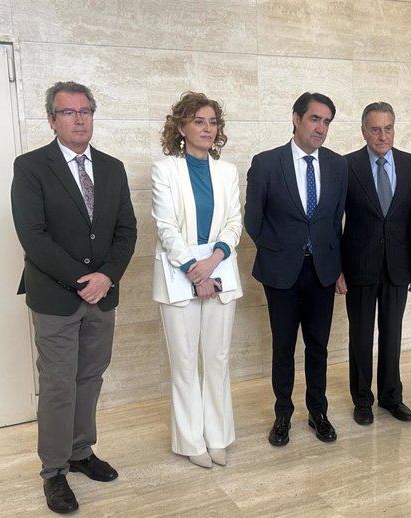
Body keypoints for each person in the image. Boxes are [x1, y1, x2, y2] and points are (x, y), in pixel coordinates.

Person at [11, 81, 137, 514]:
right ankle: (54, 472)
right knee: (59, 385)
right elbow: (34, 237)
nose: (79, 118)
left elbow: (127, 231)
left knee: (90, 378)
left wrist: (107, 277)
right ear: (52, 120)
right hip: (56, 298)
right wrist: (85, 278)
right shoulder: (30, 167)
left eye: (85, 111)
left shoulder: (112, 167)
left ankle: (81, 451)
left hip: (102, 297)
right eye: (69, 112)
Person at [245, 92, 348, 447]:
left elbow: (336, 222)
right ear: (296, 118)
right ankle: (283, 415)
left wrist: (336, 267)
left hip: (322, 272)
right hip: (281, 273)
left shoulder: (338, 165)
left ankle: (318, 412)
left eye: (327, 122)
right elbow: (253, 221)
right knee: (284, 347)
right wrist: (279, 252)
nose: (321, 128)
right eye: (315, 119)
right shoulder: (266, 163)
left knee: (318, 347)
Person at [151, 92, 243, 469]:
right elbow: (166, 226)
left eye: (213, 122)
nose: (208, 128)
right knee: (186, 362)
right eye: (199, 121)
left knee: (217, 359)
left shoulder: (228, 172)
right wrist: (194, 268)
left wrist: (213, 261)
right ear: (181, 127)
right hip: (178, 271)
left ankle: (218, 435)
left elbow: (234, 223)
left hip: (220, 266)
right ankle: (191, 440)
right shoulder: (165, 169)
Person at [335, 102, 411, 426]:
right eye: (375, 129)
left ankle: (391, 397)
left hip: (398, 266)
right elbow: (335, 221)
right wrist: (336, 269)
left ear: (394, 129)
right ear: (363, 131)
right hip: (358, 266)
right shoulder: (347, 165)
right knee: (361, 337)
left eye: (388, 128)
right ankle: (362, 400)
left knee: (392, 334)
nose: (382, 135)